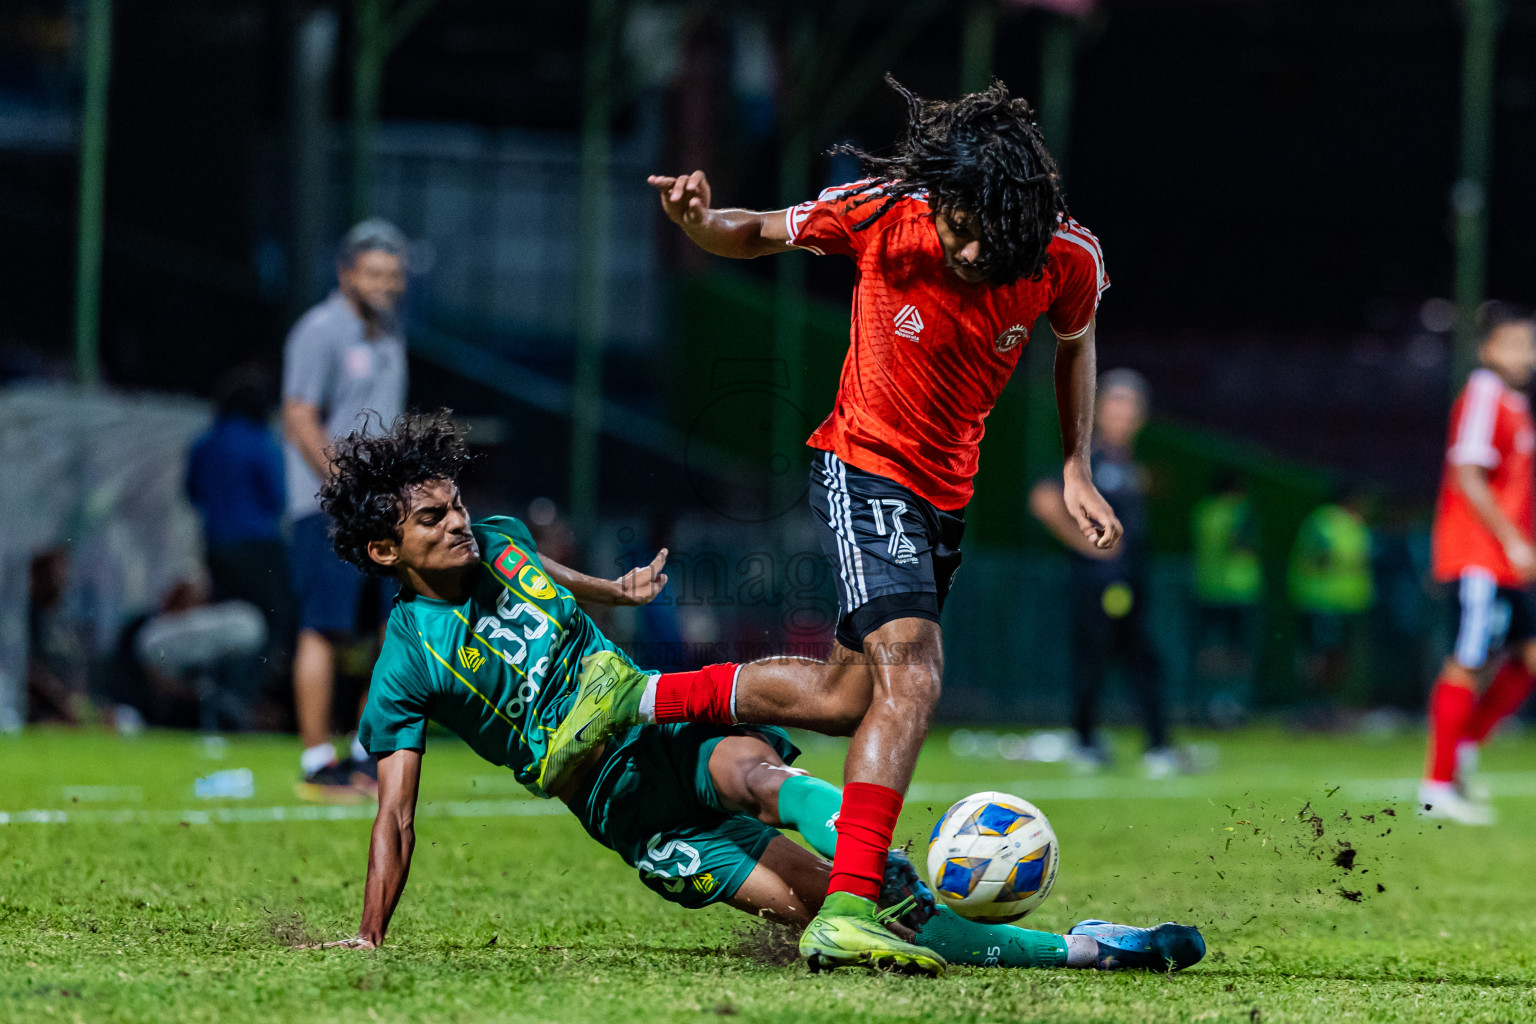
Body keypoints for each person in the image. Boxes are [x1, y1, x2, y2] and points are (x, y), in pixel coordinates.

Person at [308, 412, 1204, 978]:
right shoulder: (404, 665)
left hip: (656, 722)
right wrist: (371, 935)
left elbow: (539, 568)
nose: (459, 523)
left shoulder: (499, 537)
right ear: (386, 552)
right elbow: (396, 816)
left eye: (456, 505)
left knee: (757, 775)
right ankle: (1082, 946)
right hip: (623, 808)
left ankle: (962, 900)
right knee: (849, 915)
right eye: (431, 519)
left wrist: (615, 592)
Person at [646, 76, 1122, 970]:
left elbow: (1076, 342)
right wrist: (699, 224)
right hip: (865, 465)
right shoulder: (886, 211)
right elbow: (755, 230)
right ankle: (850, 906)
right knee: (914, 674)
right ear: (938, 197)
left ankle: (642, 698)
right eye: (959, 227)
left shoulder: (1065, 256)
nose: (972, 250)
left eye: (991, 238)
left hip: (946, 496)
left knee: (844, 700)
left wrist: (1075, 466)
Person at [281, 218, 410, 801]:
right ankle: (316, 762)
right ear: (346, 273)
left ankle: (363, 752)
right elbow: (299, 415)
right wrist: (344, 489)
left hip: (380, 508)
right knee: (324, 627)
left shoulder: (390, 337)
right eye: (374, 273)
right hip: (326, 507)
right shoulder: (321, 329)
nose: (385, 284)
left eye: (394, 275)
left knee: (393, 627)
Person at [1421, 305, 1536, 825]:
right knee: (1466, 660)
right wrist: (1512, 540)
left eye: (1529, 345)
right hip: (1479, 555)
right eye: (1514, 344)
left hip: (1503, 560)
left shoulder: (1514, 402)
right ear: (1487, 349)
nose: (1525, 355)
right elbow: (1467, 472)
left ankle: (1462, 751)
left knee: (1526, 657)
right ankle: (1436, 786)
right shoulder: (1484, 394)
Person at [1029, 370, 1174, 776]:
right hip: (1095, 583)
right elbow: (1043, 500)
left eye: (1131, 406)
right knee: (1091, 660)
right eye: (1116, 403)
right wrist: (1085, 544)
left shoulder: (1127, 463)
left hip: (1132, 581)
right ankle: (1086, 743)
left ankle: (1157, 745)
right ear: (1098, 409)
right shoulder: (1085, 458)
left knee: (1143, 660)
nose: (1124, 413)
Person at [186, 369, 293, 712]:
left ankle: (216, 692)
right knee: (272, 620)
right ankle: (244, 694)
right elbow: (276, 497)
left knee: (225, 620)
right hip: (259, 546)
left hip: (217, 547)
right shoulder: (260, 441)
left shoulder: (205, 443)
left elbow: (193, 494)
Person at [1288, 488, 1375, 715]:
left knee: (1338, 655)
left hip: (1348, 602)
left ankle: (1328, 702)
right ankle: (1313, 703)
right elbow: (1318, 557)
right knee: (1321, 654)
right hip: (1322, 599)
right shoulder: (1323, 522)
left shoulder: (1355, 524)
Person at [1190, 471, 1263, 725]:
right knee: (1239, 652)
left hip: (1207, 589)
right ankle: (1234, 703)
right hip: (1239, 590)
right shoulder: (1240, 511)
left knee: (1210, 650)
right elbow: (1242, 544)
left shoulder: (1204, 512)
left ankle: (1208, 702)